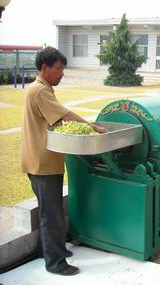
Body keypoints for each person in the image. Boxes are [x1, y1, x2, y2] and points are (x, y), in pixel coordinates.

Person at [21, 47, 106, 276]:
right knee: (52, 213)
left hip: (42, 160)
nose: (62, 74)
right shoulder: (40, 91)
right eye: (59, 69)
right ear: (44, 68)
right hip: (42, 163)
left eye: (63, 69)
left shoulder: (42, 88)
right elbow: (64, 116)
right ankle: (55, 263)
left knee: (48, 211)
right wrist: (93, 127)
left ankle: (48, 251)